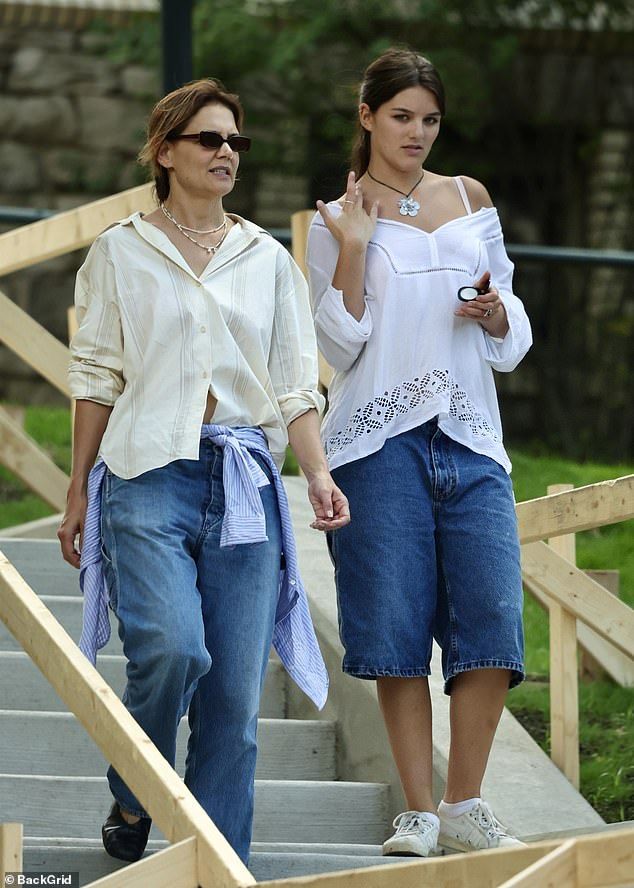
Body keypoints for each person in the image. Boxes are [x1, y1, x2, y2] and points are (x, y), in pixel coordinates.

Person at [57, 77, 349, 866]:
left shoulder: (267, 260)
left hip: (246, 483)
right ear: (164, 152)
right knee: (175, 651)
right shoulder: (120, 250)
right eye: (210, 140)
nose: (228, 154)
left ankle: (216, 866)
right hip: (148, 476)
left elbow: (295, 384)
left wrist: (317, 474)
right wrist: (77, 489)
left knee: (231, 705)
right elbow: (96, 377)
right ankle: (137, 783)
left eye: (236, 143)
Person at [306, 48, 532, 858]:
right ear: (367, 116)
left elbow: (514, 331)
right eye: (401, 116)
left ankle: (466, 801)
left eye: (429, 119)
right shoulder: (332, 217)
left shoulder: (470, 199)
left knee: (492, 621)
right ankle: (419, 812)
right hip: (377, 442)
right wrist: (358, 244)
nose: (417, 133)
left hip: (472, 437)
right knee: (395, 628)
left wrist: (499, 315)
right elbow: (338, 339)